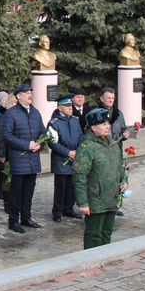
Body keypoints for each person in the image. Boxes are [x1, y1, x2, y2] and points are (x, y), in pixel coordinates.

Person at [73, 108, 128, 249]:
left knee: (107, 232)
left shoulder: (112, 144)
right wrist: (83, 203)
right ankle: (91, 261)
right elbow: (79, 177)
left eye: (108, 123)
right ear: (93, 128)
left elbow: (118, 166)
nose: (108, 126)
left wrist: (124, 180)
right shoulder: (87, 148)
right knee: (94, 234)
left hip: (112, 197)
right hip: (95, 200)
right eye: (103, 124)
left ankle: (104, 258)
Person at [2, 83, 46, 233]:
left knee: (29, 191)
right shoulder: (11, 113)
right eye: (26, 93)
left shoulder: (35, 112)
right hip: (19, 159)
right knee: (16, 192)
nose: (29, 95)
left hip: (33, 159)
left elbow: (42, 131)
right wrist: (27, 145)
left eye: (30, 93)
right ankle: (13, 221)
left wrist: (40, 143)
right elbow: (7, 136)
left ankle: (26, 218)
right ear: (18, 96)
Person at [91, 87, 129, 215]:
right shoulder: (96, 113)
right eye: (108, 98)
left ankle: (115, 204)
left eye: (112, 98)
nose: (111, 100)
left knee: (116, 176)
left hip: (116, 149)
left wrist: (125, 134)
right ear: (102, 99)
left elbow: (123, 128)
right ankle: (101, 204)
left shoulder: (118, 113)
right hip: (101, 149)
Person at [48, 93, 84, 223]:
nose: (70, 108)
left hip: (75, 157)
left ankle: (69, 208)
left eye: (70, 105)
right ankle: (57, 211)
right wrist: (68, 152)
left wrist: (78, 151)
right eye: (67, 105)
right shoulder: (54, 123)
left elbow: (80, 136)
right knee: (61, 187)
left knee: (72, 186)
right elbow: (53, 143)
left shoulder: (75, 120)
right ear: (60, 107)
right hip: (61, 160)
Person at [0, 92, 16, 205]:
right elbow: (0, 136)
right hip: (5, 152)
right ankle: (7, 201)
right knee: (5, 176)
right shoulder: (2, 117)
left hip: (13, 151)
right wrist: (2, 153)